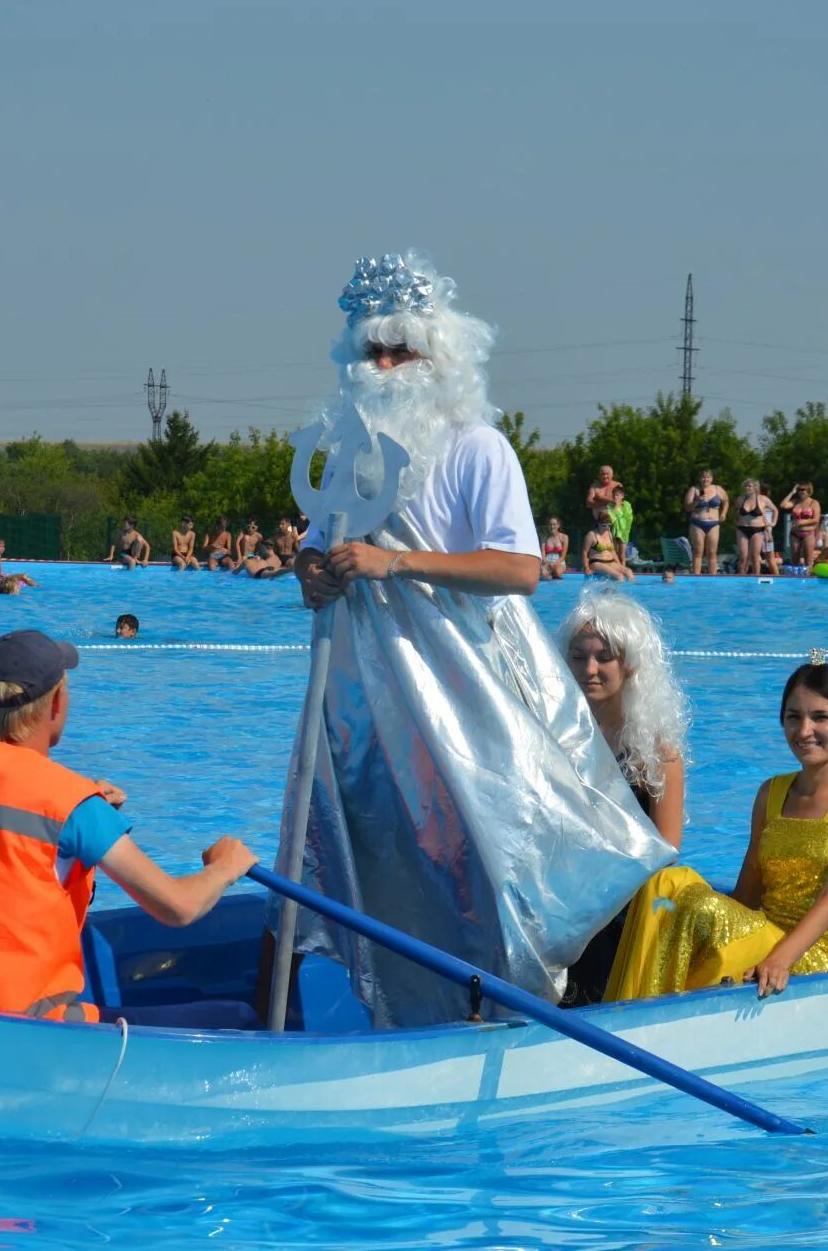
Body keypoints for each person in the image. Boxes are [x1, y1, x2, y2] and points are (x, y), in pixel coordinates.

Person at [280, 252, 670, 1026]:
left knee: (487, 850)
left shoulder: (477, 449)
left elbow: (521, 568)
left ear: (438, 357)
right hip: (363, 698)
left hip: (465, 693)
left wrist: (395, 561)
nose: (384, 365)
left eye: (401, 349)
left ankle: (510, 1003)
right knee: (372, 848)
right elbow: (318, 545)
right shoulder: (348, 455)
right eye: (371, 350)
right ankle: (387, 1004)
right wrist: (311, 569)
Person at [0, 629, 259, 1024]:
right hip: (31, 1026)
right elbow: (178, 908)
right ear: (57, 703)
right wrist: (225, 867)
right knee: (239, 1016)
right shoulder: (72, 803)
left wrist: (85, 809)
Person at [604, 663, 828, 1001]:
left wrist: (779, 959)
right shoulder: (771, 793)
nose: (804, 730)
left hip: (818, 958)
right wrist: (684, 922)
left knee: (699, 908)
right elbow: (746, 896)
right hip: (765, 940)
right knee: (664, 885)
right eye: (793, 717)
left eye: (820, 717)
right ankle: (633, 1009)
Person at [558, 587, 690, 1005]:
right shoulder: (559, 738)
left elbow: (667, 849)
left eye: (603, 657)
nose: (589, 669)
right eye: (579, 657)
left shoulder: (658, 753)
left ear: (630, 664)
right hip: (564, 901)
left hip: (621, 912)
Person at [682, 469, 727, 576]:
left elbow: (726, 501)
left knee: (712, 552)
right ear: (699, 478)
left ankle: (713, 577)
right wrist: (697, 501)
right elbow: (687, 507)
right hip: (697, 523)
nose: (705, 479)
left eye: (708, 477)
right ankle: (696, 576)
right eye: (703, 477)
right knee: (698, 552)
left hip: (714, 524)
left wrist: (723, 513)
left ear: (711, 479)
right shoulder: (694, 490)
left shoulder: (718, 489)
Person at [734, 479, 774, 576]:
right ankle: (741, 576)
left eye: (749, 486)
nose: (747, 488)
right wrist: (737, 519)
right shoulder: (740, 499)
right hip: (742, 529)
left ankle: (756, 576)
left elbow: (775, 510)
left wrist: (772, 523)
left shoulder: (763, 499)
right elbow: (735, 511)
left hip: (757, 530)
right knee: (743, 556)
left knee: (755, 556)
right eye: (746, 486)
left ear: (755, 488)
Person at [780, 482, 822, 568]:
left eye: (803, 489)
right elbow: (783, 505)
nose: (801, 492)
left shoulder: (814, 503)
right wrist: (792, 492)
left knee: (808, 560)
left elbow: (816, 520)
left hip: (808, 533)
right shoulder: (795, 501)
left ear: (809, 491)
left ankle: (808, 579)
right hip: (794, 533)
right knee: (794, 560)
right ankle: (795, 579)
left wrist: (802, 522)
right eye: (799, 490)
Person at [581, 516, 630, 580]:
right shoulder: (591, 535)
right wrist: (586, 568)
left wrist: (619, 564)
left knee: (629, 572)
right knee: (619, 576)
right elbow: (584, 552)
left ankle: (629, 589)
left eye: (609, 526)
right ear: (598, 524)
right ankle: (614, 590)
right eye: (604, 526)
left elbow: (612, 551)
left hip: (610, 562)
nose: (606, 528)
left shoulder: (609, 533)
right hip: (597, 563)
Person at [605, 485, 634, 565]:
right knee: (614, 553)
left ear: (622, 496)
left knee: (622, 555)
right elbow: (611, 519)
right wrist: (615, 507)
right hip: (613, 531)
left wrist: (617, 508)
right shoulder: (609, 506)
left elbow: (628, 517)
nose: (615, 497)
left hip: (624, 532)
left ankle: (623, 570)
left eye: (617, 495)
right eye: (613, 495)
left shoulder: (626, 504)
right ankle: (615, 570)